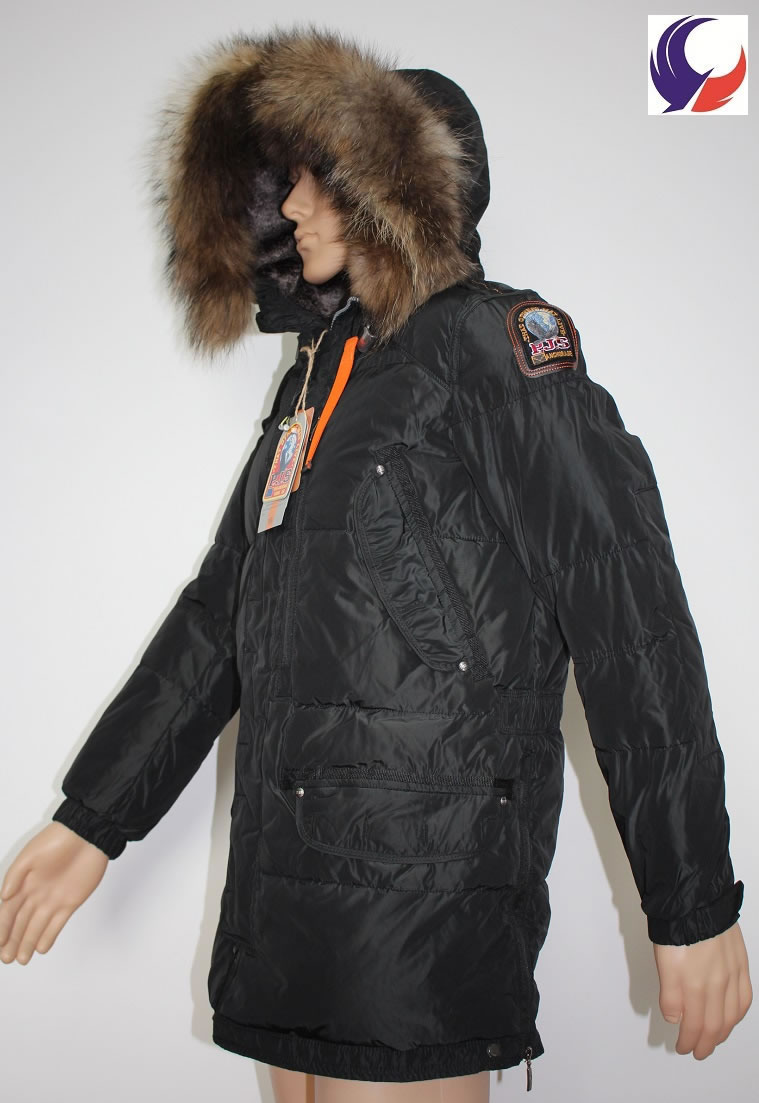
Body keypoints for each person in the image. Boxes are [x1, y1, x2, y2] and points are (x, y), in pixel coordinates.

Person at [0, 26, 751, 1103]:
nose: (290, 204)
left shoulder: (493, 341)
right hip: (288, 885)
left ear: (381, 185)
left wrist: (691, 901)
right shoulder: (314, 383)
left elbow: (626, 605)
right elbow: (218, 619)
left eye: (312, 178)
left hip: (421, 897)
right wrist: (93, 818)